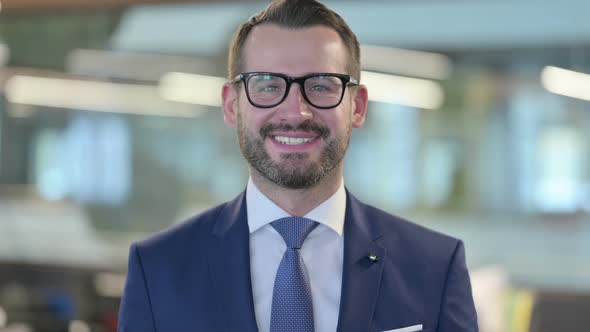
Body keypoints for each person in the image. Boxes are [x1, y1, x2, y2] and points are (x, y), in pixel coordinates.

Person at [118, 1, 478, 331]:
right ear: (231, 106)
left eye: (321, 86)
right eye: (268, 85)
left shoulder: (435, 268)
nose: (296, 112)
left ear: (357, 106)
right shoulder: (158, 270)